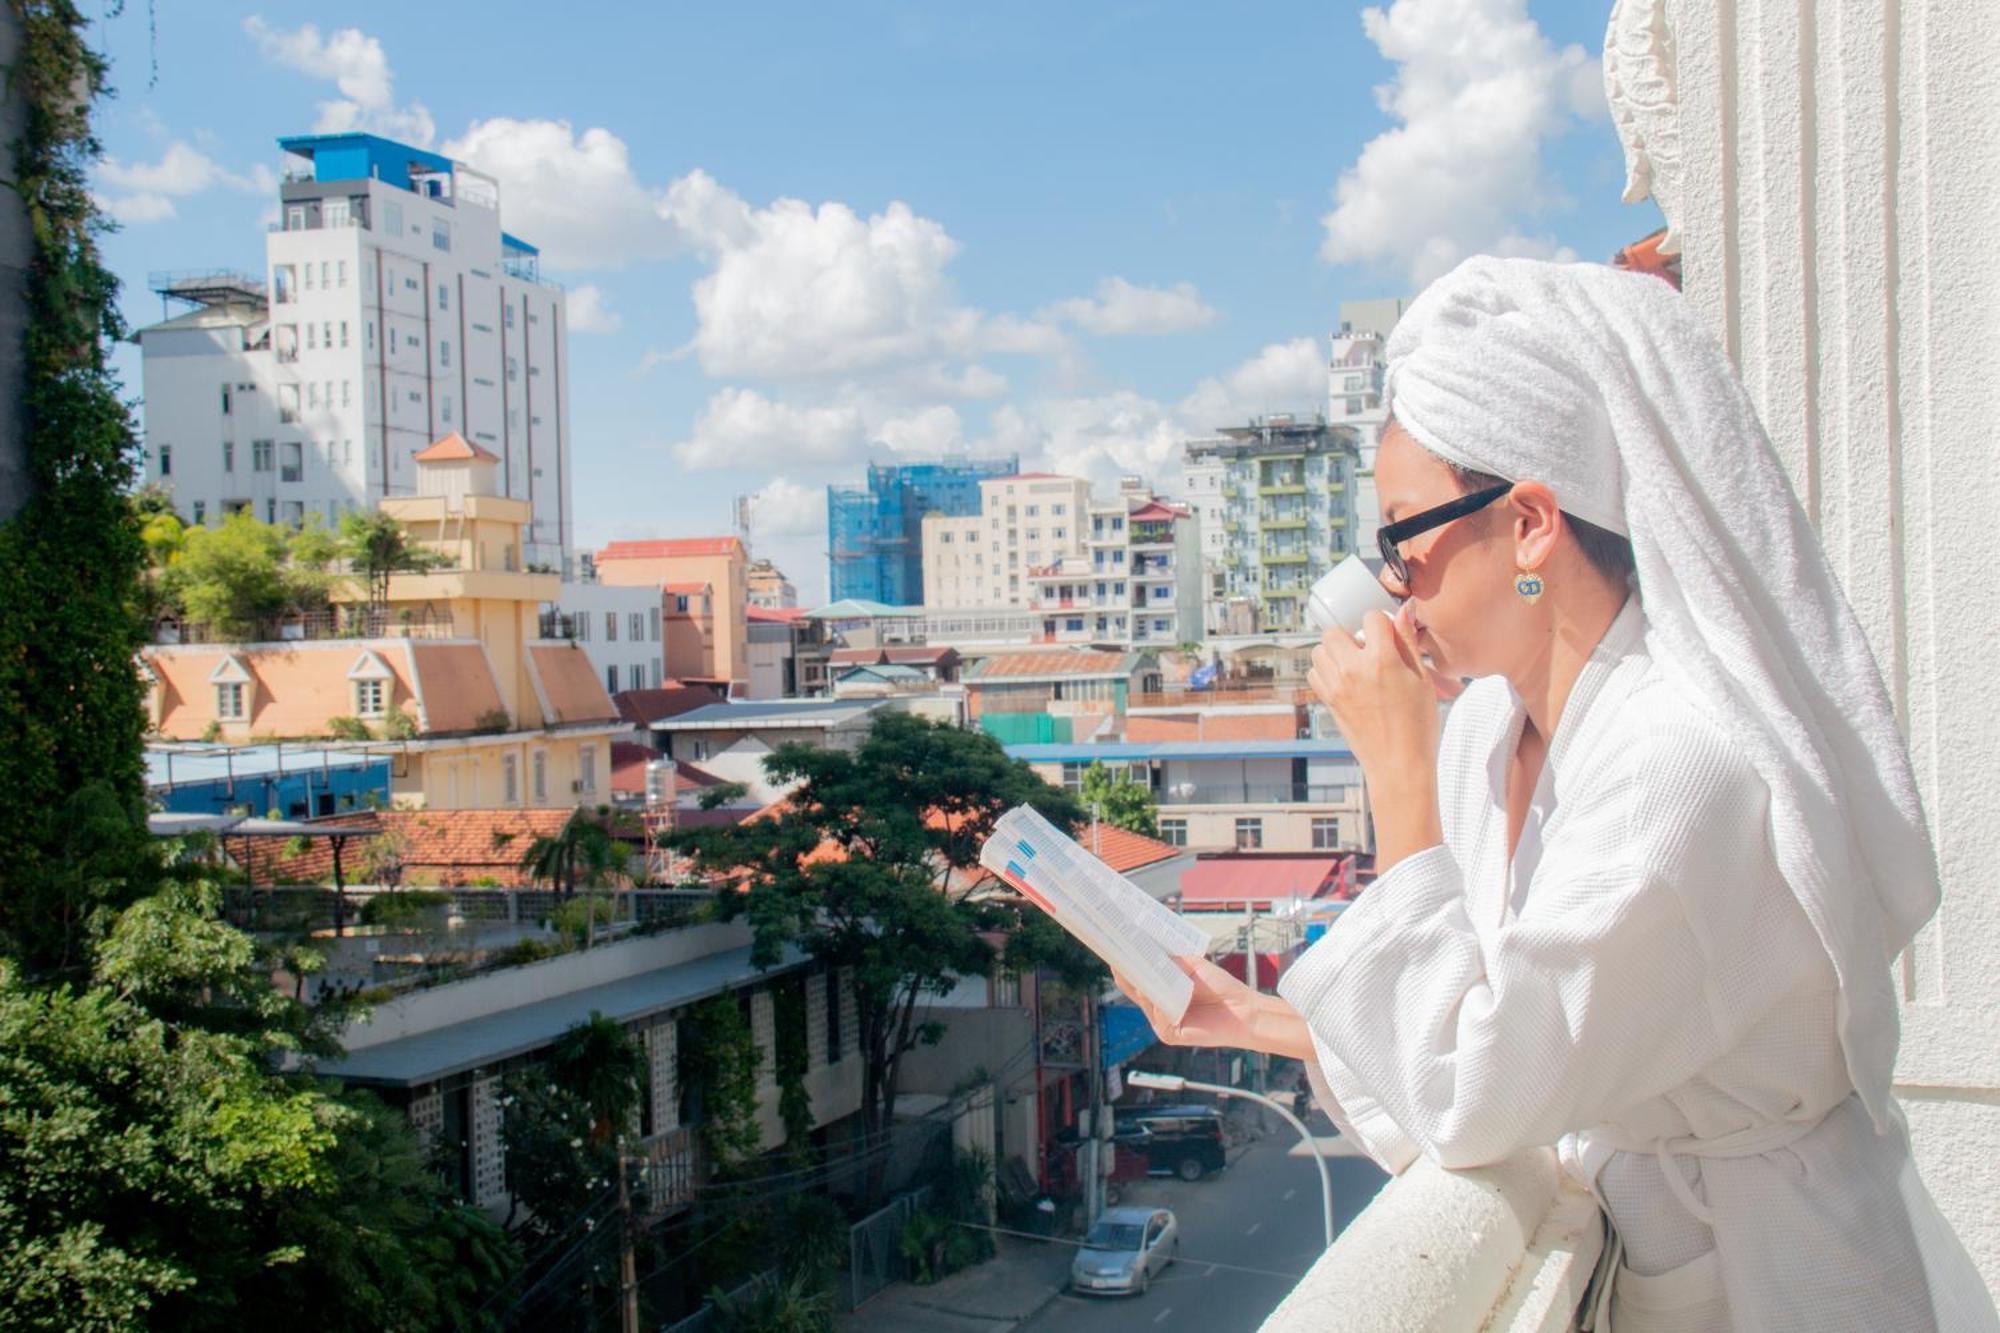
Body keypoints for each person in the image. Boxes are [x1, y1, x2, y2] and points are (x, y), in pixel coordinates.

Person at [1110, 257, 1998, 1331]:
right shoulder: (1490, 728)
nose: (1393, 585)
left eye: (1405, 538)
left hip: (1777, 1284)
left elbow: (1476, 1089)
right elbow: (1513, 1019)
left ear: (1529, 524)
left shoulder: (1678, 766)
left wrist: (1392, 772)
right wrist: (1252, 1017)